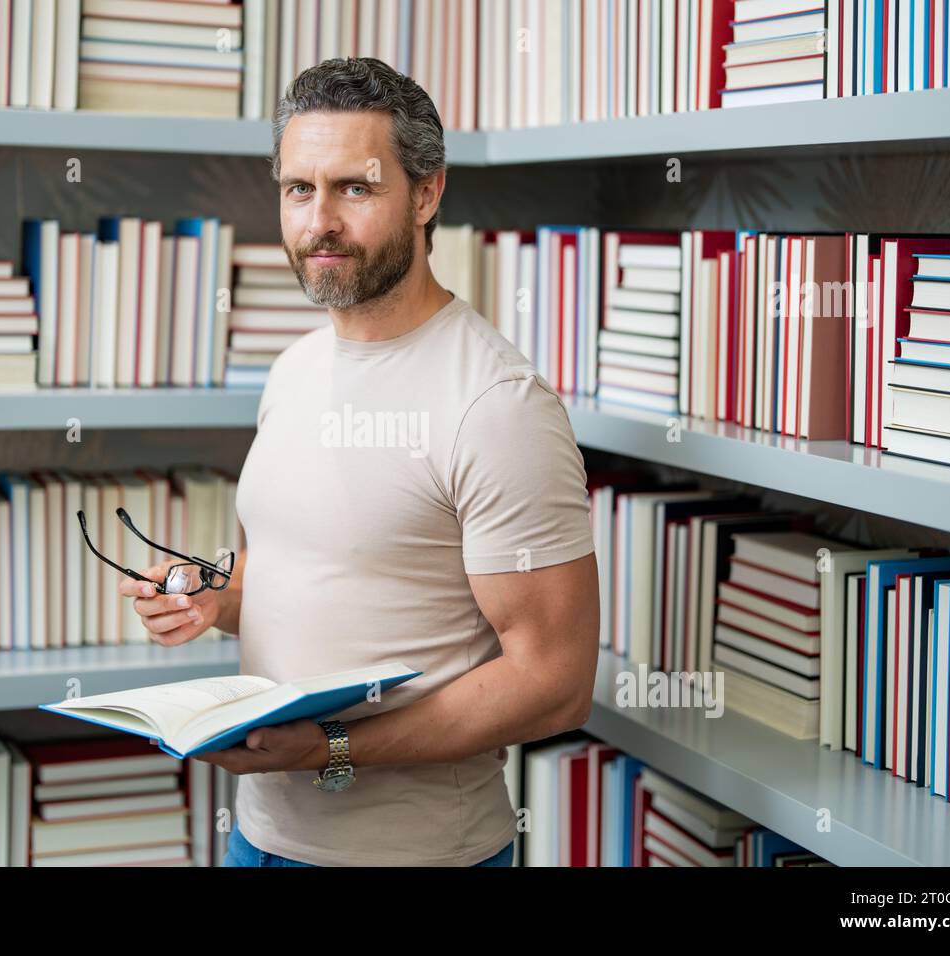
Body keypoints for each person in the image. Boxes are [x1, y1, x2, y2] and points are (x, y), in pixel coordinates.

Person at [121, 56, 600, 867]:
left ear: (425, 193)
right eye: (299, 189)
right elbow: (308, 579)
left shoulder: (497, 404)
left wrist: (330, 748)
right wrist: (207, 596)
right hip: (258, 839)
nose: (319, 223)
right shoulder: (294, 371)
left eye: (355, 187)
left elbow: (555, 682)